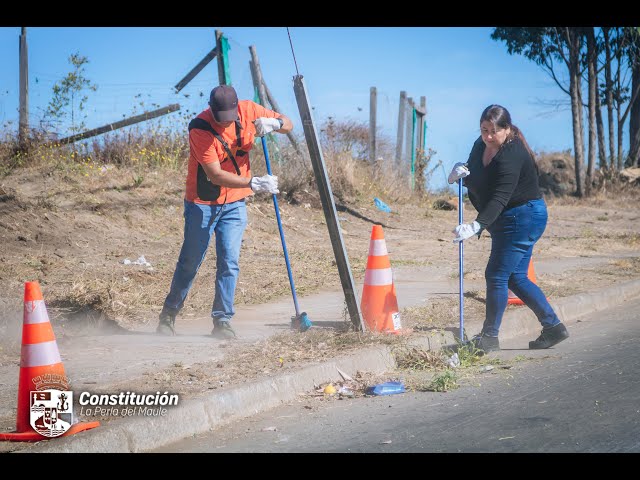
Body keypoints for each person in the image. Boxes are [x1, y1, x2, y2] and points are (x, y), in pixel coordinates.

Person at [157, 84, 293, 339]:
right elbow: (215, 174)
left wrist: (274, 123)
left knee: (229, 261)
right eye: (221, 118)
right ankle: (169, 314)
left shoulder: (248, 110)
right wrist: (254, 183)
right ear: (212, 110)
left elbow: (289, 124)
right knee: (190, 262)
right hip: (202, 202)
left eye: (230, 118)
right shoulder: (200, 128)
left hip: (235, 203)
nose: (225, 123)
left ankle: (222, 321)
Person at [448, 104, 569, 353]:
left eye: (494, 131)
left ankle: (489, 337)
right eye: (484, 130)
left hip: (522, 216)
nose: (488, 137)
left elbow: (500, 197)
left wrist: (477, 224)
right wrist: (458, 176)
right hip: (507, 217)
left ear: (507, 128)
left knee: (496, 275)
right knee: (516, 276)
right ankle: (553, 327)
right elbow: (478, 178)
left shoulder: (513, 153)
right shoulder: (480, 144)